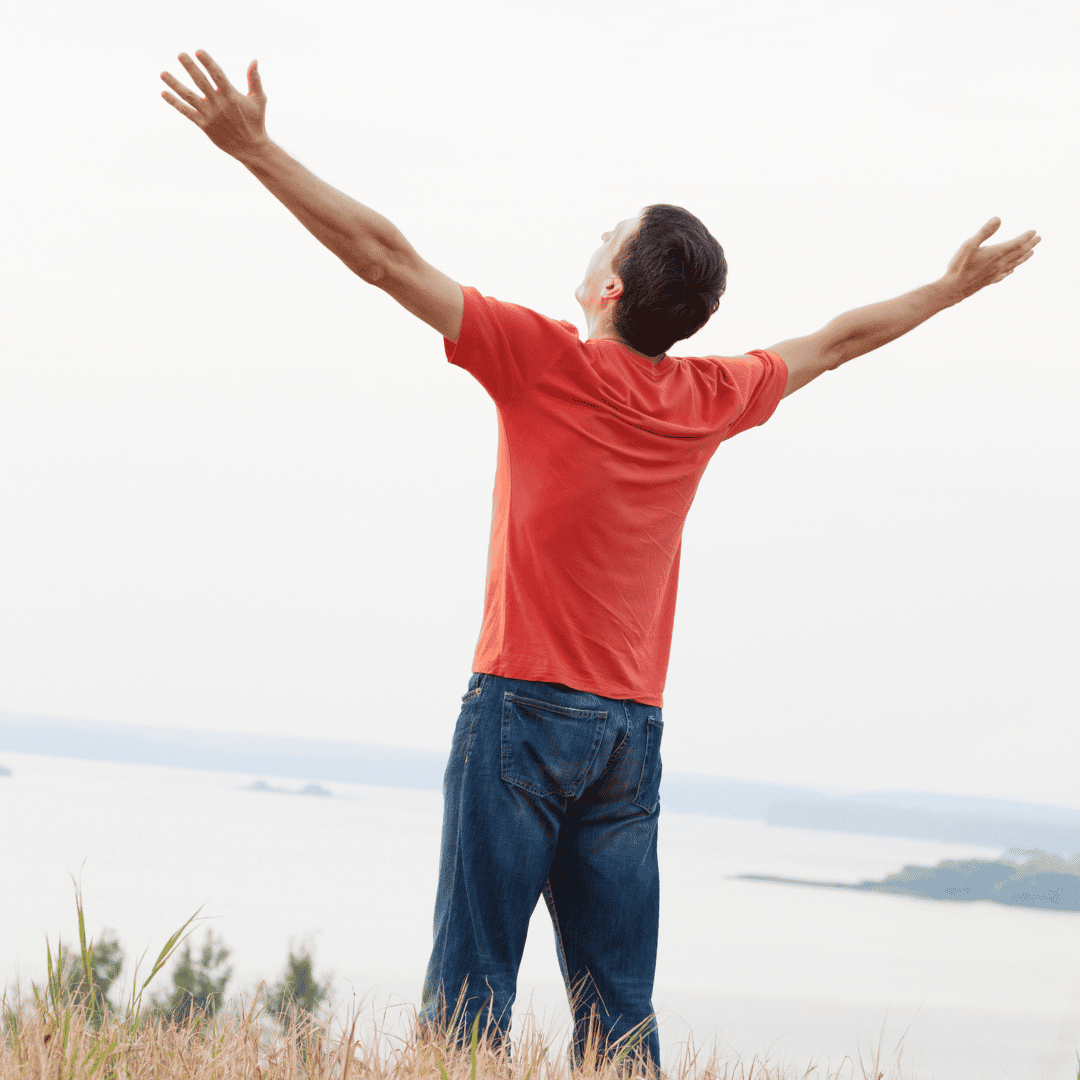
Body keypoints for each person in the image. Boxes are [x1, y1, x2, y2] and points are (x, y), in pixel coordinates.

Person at [160, 50, 1041, 1076]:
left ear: (612, 286)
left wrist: (255, 149)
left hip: (522, 716)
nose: (592, 244)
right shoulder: (711, 397)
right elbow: (839, 341)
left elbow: (383, 258)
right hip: (629, 735)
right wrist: (950, 288)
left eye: (603, 238)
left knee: (469, 997)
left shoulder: (543, 361)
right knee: (619, 1015)